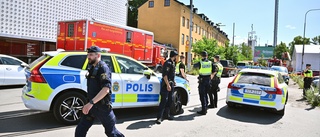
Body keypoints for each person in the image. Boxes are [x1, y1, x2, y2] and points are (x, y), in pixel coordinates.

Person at [75, 46, 124, 137]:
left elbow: (106, 89)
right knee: (81, 129)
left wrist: (91, 103)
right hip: (92, 106)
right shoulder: (92, 67)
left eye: (91, 55)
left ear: (98, 55)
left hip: (102, 107)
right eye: (88, 55)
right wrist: (89, 103)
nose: (88, 57)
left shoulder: (103, 68)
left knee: (111, 132)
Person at [156, 50, 178, 124]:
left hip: (170, 83)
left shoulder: (173, 63)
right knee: (164, 101)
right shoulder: (167, 63)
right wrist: (168, 85)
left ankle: (166, 115)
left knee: (170, 100)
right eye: (176, 56)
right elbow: (165, 75)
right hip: (166, 84)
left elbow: (172, 74)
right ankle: (159, 117)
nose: (176, 57)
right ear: (174, 56)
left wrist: (173, 81)